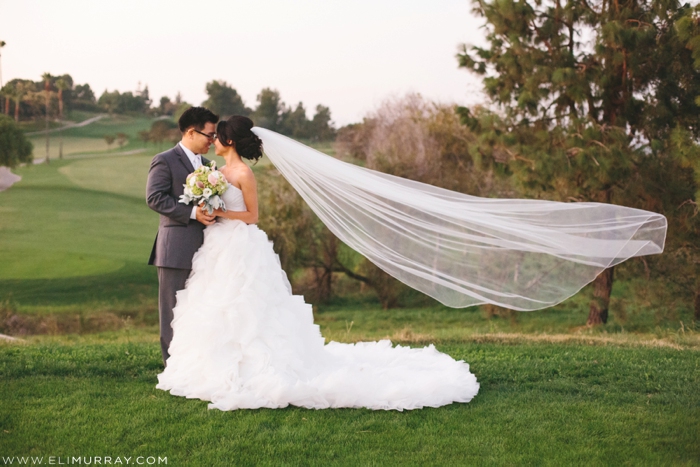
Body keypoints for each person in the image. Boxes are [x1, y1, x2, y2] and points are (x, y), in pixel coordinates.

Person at [156, 115, 480, 410]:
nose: (212, 140)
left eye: (217, 137)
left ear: (229, 142)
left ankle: (254, 364)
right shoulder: (215, 172)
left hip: (239, 244)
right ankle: (210, 363)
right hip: (216, 246)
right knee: (215, 304)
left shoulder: (242, 173)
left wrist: (220, 213)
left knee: (246, 304)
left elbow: (252, 216)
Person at [146, 106, 219, 365]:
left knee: (201, 308)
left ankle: (196, 364)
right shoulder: (165, 159)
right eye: (209, 135)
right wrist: (191, 214)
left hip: (207, 249)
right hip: (175, 248)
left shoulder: (210, 166)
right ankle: (173, 367)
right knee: (172, 312)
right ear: (190, 132)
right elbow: (154, 198)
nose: (213, 140)